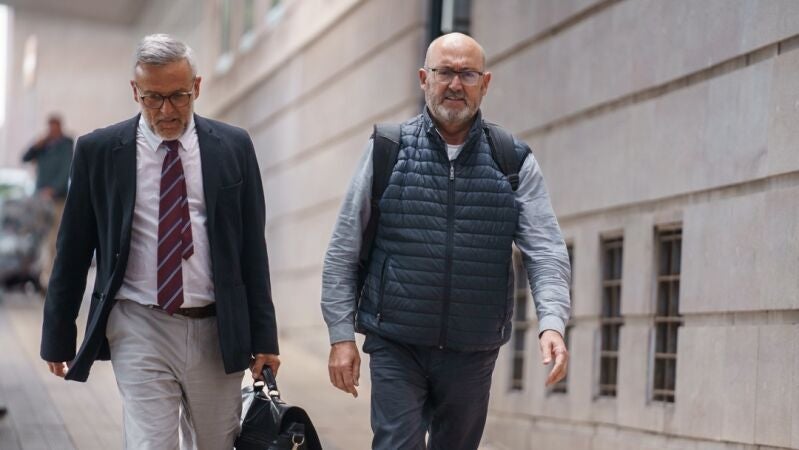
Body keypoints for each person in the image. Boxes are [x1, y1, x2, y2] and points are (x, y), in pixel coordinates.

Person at [321, 32, 571, 449]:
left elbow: (545, 251)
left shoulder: (512, 159)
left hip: (472, 350)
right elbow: (343, 250)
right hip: (396, 342)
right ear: (424, 78)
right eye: (445, 72)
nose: (455, 84)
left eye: (467, 74)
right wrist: (340, 334)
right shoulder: (387, 148)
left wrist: (552, 323)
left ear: (485, 83)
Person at [40, 34, 279, 449]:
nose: (167, 110)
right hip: (139, 323)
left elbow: (251, 250)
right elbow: (73, 251)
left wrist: (265, 339)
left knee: (216, 443)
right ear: (136, 91)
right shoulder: (99, 151)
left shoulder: (233, 147)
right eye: (153, 98)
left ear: (197, 87)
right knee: (152, 443)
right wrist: (58, 335)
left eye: (178, 96)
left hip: (216, 328)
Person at [22, 114, 73, 289]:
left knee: (53, 239)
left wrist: (53, 189)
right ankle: (36, 274)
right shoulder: (44, 146)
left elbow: (66, 170)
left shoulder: (66, 146)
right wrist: (37, 144)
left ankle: (49, 277)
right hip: (40, 200)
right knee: (38, 238)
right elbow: (25, 158)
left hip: (57, 200)